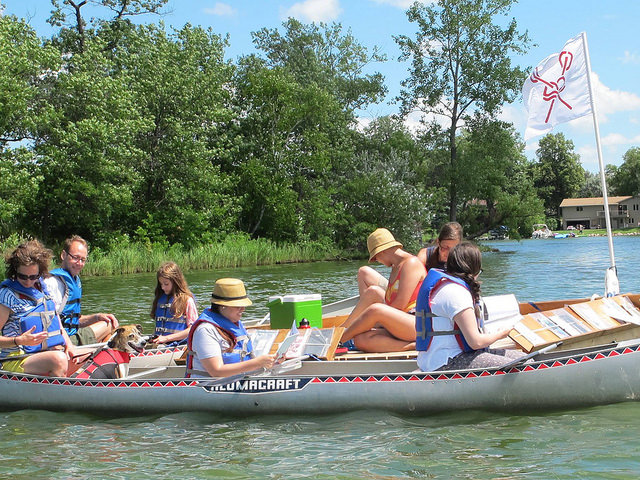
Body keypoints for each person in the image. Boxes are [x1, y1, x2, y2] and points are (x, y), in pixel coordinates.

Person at [415, 241, 521, 372]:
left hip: (448, 357)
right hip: (446, 362)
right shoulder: (456, 293)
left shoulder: (448, 285)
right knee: (522, 367)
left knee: (525, 359)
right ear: (474, 268)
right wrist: (501, 334)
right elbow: (475, 342)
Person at [0, 240, 81, 376]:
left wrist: (69, 345)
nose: (28, 281)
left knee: (89, 355)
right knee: (58, 359)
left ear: (40, 272)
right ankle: (59, 395)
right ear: (15, 271)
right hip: (15, 359)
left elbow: (57, 322)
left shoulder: (42, 288)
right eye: (22, 276)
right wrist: (18, 340)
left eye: (33, 276)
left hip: (43, 354)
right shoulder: (7, 295)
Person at [339, 228, 427, 352]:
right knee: (360, 339)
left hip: (417, 323)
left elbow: (400, 305)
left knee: (375, 310)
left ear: (382, 252)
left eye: (375, 258)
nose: (377, 261)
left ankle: (338, 341)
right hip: (402, 324)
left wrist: (370, 320)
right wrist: (366, 323)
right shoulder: (396, 267)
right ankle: (412, 346)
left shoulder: (411, 264)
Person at [185, 278, 275, 378]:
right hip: (210, 387)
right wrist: (257, 363)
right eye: (237, 305)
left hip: (237, 383)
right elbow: (216, 371)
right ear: (222, 306)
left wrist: (271, 361)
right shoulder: (205, 330)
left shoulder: (236, 323)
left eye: (243, 305)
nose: (243, 309)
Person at [43, 235, 119, 346]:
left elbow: (73, 321)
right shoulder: (52, 282)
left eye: (83, 260)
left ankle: (99, 360)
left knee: (106, 322)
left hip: (71, 335)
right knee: (109, 325)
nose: (79, 263)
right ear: (63, 255)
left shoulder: (74, 280)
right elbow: (50, 322)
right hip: (61, 342)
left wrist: (96, 317)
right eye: (75, 258)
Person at [150, 261, 198, 346]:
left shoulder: (187, 300)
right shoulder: (160, 298)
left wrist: (166, 338)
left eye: (166, 284)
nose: (163, 287)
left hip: (178, 345)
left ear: (176, 281)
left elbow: (193, 329)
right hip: (160, 343)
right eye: (161, 284)